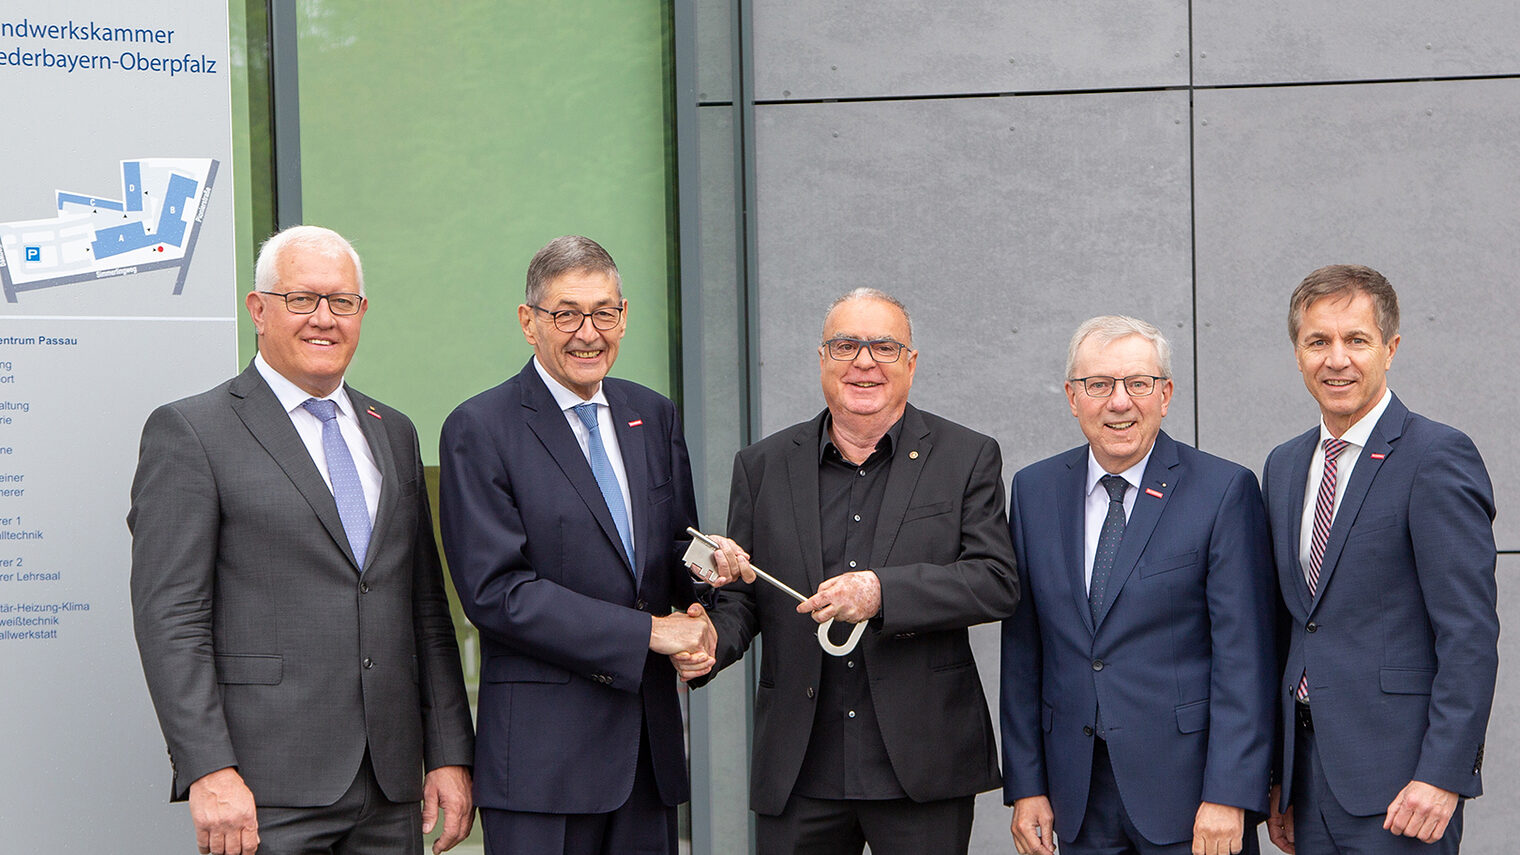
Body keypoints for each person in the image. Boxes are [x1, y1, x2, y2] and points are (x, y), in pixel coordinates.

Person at [129, 225, 476, 855]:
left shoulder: (393, 432)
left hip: (389, 785)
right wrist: (208, 768)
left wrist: (449, 752)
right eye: (302, 300)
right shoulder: (192, 431)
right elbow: (172, 617)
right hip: (264, 788)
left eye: (341, 302)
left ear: (362, 313)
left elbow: (425, 611)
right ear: (258, 310)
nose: (324, 319)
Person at [693, 287, 1019, 855]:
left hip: (922, 765)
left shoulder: (967, 455)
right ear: (823, 359)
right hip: (800, 767)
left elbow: (995, 580)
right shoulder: (762, 465)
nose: (863, 362)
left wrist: (881, 592)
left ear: (911, 363)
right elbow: (744, 598)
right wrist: (707, 643)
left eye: (884, 347)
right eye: (845, 346)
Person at [437, 235, 713, 855]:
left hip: (647, 761)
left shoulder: (653, 414)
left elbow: (671, 552)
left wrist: (709, 574)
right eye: (566, 314)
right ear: (528, 322)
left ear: (624, 316)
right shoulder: (479, 429)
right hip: (542, 770)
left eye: (605, 312)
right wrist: (649, 634)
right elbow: (497, 593)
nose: (588, 332)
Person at [1000, 315, 1275, 855]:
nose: (1119, 402)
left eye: (1138, 384)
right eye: (1098, 385)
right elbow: (1024, 651)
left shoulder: (1223, 490)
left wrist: (1229, 794)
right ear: (1072, 398)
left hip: (1191, 798)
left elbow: (1246, 660)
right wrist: (1027, 785)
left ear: (1166, 394)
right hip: (1075, 795)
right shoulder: (1033, 491)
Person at [1262, 264, 1497, 854]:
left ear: (1390, 348)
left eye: (1356, 340)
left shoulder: (1436, 456)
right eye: (1318, 341)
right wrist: (1278, 776)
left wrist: (1443, 775)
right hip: (1309, 783)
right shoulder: (1284, 466)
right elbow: (1293, 626)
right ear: (1297, 354)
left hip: (1405, 787)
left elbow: (1468, 634)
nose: (1335, 359)